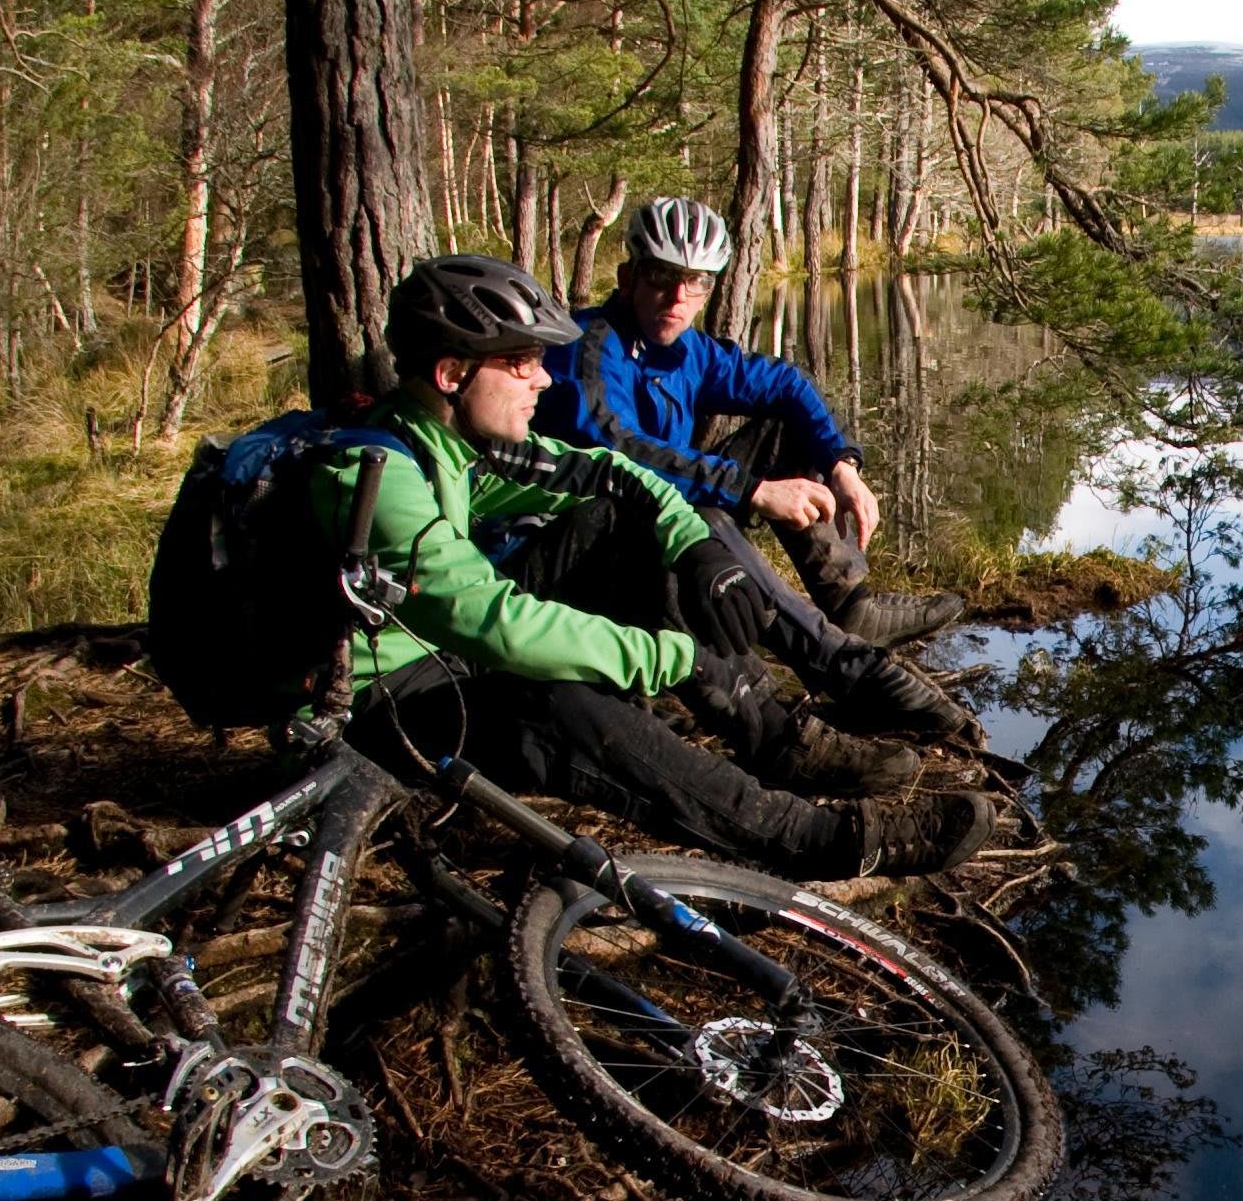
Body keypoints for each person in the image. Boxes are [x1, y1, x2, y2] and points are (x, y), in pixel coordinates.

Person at [316, 253, 996, 881]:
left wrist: (695, 547)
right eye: (522, 363)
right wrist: (668, 658)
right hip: (382, 704)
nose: (543, 379)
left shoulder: (450, 444)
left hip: (448, 648)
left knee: (625, 520)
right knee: (557, 709)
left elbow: (615, 475)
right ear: (452, 374)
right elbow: (497, 627)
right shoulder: (377, 477)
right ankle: (822, 841)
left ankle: (783, 733)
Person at [541, 195, 969, 658]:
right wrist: (752, 489)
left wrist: (842, 463)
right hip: (579, 554)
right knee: (701, 509)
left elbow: (786, 385)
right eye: (662, 276)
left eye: (696, 282)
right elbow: (620, 450)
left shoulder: (689, 351)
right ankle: (824, 657)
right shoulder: (589, 347)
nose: (678, 297)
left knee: (785, 428)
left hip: (656, 520)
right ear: (629, 278)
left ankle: (852, 604)